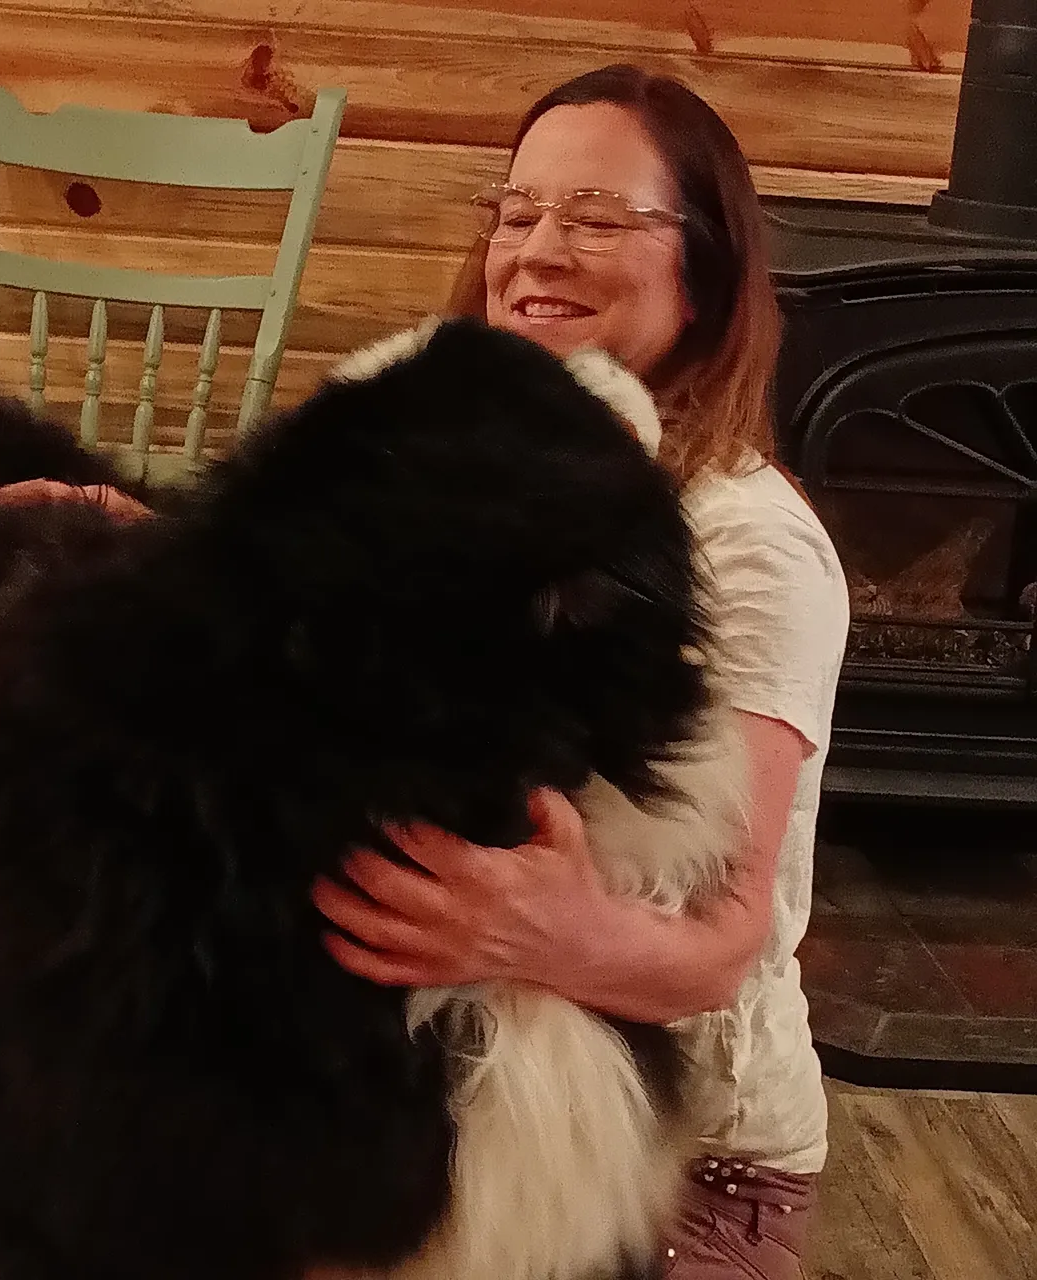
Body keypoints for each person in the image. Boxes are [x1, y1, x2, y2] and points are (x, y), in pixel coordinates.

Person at [308, 65, 851, 1279]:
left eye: (597, 218)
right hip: (430, 1104)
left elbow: (717, 946)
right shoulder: (446, 466)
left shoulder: (747, 545)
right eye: (516, 211)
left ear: (702, 269)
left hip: (682, 1166)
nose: (537, 250)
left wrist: (540, 929)